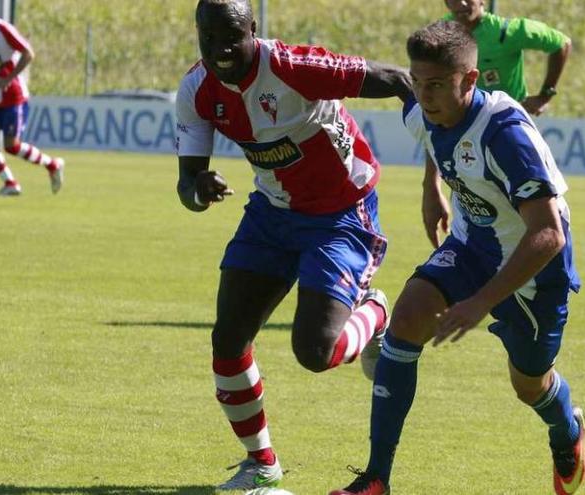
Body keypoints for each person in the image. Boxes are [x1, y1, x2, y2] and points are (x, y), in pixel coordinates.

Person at [331, 20, 585, 495]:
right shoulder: (430, 108)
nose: (424, 96)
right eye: (419, 83)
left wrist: (480, 302)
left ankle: (567, 429)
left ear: (470, 81)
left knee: (529, 386)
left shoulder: (505, 134)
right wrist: (432, 186)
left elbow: (548, 233)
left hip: (533, 270)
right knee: (407, 317)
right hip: (472, 246)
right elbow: (405, 98)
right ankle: (376, 478)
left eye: (436, 86)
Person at [174, 0, 412, 491]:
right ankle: (262, 465)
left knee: (316, 352)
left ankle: (376, 313)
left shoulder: (293, 66)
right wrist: (198, 189)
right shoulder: (196, 91)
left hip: (341, 214)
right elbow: (186, 183)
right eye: (208, 35)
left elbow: (396, 80)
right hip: (272, 213)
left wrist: (439, 141)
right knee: (227, 341)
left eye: (231, 35)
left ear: (253, 30)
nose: (219, 47)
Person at [0, 0, 64, 196]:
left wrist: (9, 77)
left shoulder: (3, 29)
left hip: (14, 96)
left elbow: (28, 53)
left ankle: (52, 164)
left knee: (12, 146)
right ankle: (11, 183)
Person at [444, 0, 571, 116]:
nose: (462, 3)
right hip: (462, 119)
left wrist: (545, 95)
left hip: (508, 118)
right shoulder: (442, 32)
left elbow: (562, 44)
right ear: (447, 3)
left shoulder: (505, 32)